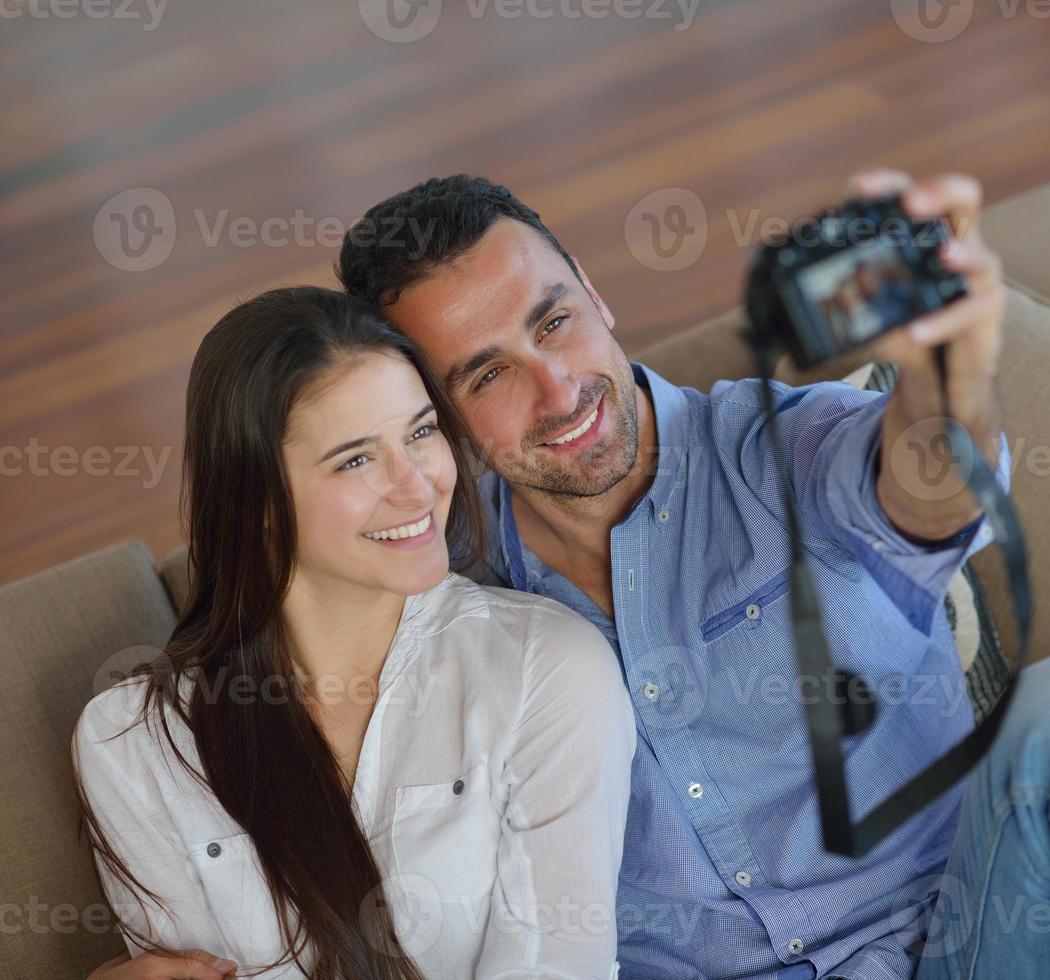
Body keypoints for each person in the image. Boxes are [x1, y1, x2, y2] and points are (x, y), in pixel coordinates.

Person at [334, 171, 1050, 979]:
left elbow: (924, 485)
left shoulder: (778, 445)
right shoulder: (443, 609)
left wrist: (949, 375)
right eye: (486, 373)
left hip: (974, 947)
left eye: (553, 321)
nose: (556, 389)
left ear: (593, 293)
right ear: (432, 414)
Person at [74, 287, 635, 979]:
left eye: (421, 432)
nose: (416, 485)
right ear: (257, 500)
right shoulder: (133, 744)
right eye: (356, 459)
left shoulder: (545, 669)